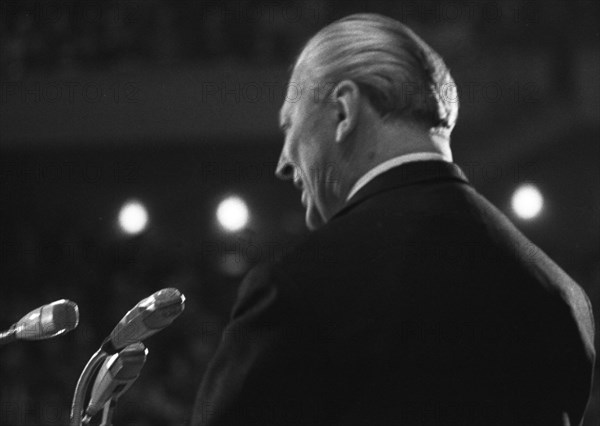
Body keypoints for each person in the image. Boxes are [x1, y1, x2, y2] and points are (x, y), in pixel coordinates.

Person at [191, 13, 595, 426]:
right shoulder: (562, 297)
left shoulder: (298, 290)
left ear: (344, 111)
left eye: (289, 125)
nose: (282, 163)